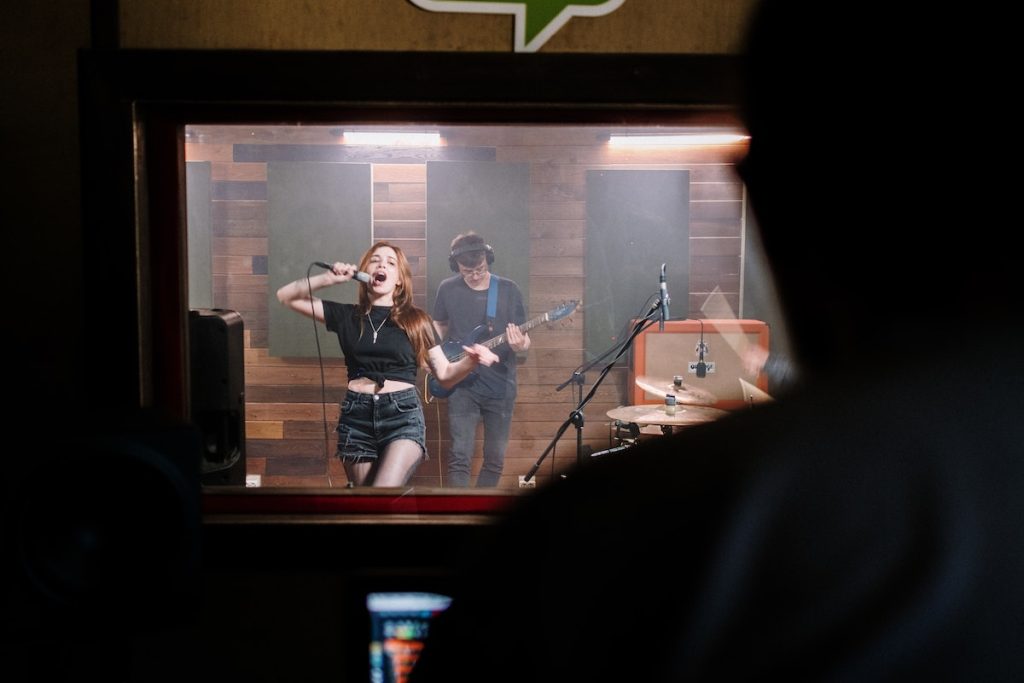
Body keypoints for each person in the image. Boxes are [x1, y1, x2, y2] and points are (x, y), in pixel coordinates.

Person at [411, 2, 1022, 681]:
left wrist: (514, 345)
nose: (473, 272)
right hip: (469, 388)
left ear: (763, 196)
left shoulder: (605, 539)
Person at [276, 241, 498, 487]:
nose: (382, 264)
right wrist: (328, 279)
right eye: (375, 260)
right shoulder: (347, 316)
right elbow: (285, 296)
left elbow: (444, 374)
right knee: (364, 503)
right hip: (356, 416)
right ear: (365, 274)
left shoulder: (418, 320)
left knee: (381, 493)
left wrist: (471, 361)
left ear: (399, 280)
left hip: (402, 416)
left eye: (391, 263)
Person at [431, 232, 530, 487]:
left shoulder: (508, 289)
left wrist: (521, 344)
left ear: (488, 259)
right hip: (462, 384)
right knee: (459, 457)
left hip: (500, 385)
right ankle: (457, 516)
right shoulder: (447, 288)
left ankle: (478, 509)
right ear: (456, 266)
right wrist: (443, 352)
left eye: (481, 269)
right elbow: (439, 322)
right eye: (467, 271)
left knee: (495, 459)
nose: (475, 275)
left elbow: (523, 337)